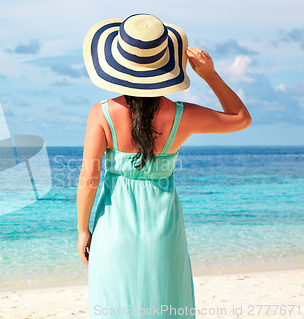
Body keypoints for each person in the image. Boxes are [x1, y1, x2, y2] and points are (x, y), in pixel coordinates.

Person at [76, 13, 251, 318]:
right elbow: (241, 118)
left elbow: (89, 177)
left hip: (113, 231)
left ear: (118, 65)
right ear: (163, 65)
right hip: (164, 233)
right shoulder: (184, 115)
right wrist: (209, 74)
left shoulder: (101, 114)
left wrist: (82, 230)